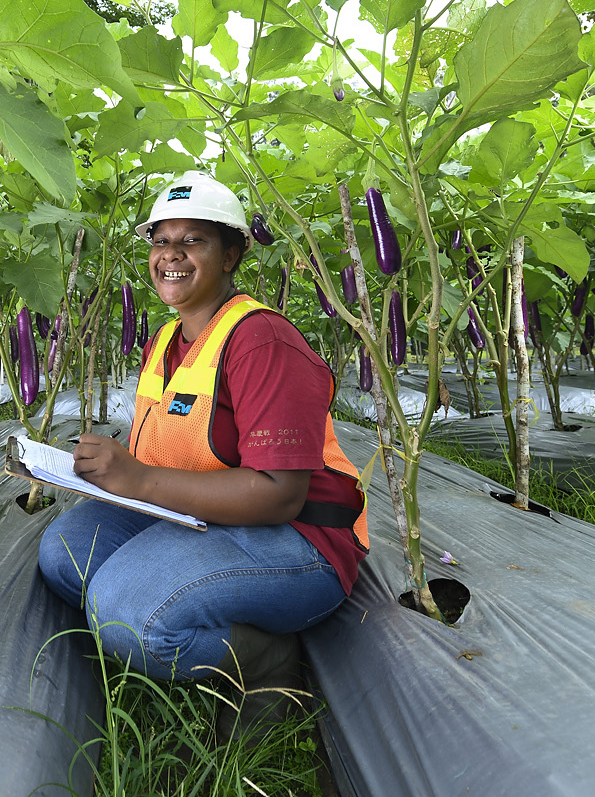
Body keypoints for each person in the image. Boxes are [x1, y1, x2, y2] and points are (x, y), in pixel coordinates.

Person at [36, 172, 367, 731]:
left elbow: (281, 496)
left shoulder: (262, 340)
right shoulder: (164, 341)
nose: (172, 254)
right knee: (64, 554)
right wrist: (110, 466)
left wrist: (138, 480)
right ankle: (190, 618)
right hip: (200, 514)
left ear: (231, 254)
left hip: (302, 539)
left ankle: (266, 660)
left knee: (123, 613)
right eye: (161, 240)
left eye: (193, 240)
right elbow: (170, 446)